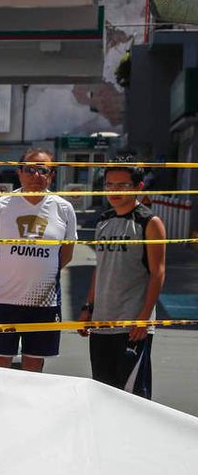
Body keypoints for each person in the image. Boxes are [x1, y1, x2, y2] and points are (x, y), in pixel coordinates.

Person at [0, 148, 77, 372]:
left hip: (44, 303)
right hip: (4, 301)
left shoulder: (64, 209)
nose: (36, 176)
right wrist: (8, 277)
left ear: (51, 175)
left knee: (34, 366)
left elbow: (66, 254)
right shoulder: (0, 206)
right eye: (30, 170)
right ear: (19, 172)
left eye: (43, 170)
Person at [78, 159, 165, 399]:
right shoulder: (103, 221)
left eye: (122, 185)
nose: (114, 191)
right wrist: (88, 307)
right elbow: (101, 267)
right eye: (109, 185)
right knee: (103, 395)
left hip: (131, 326)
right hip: (101, 324)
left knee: (131, 398)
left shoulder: (149, 223)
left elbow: (158, 273)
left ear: (138, 187)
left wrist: (143, 319)